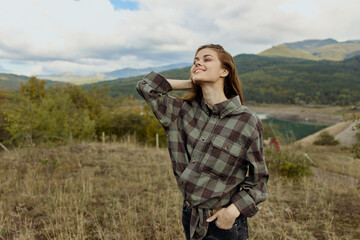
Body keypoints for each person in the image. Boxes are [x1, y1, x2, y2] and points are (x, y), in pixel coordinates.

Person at [136, 44, 269, 240]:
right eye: (195, 61)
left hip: (223, 222)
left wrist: (232, 211)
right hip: (190, 216)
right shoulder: (180, 112)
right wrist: (193, 82)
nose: (198, 62)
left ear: (225, 71)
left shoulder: (247, 121)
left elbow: (259, 182)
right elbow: (146, 86)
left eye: (207, 59)